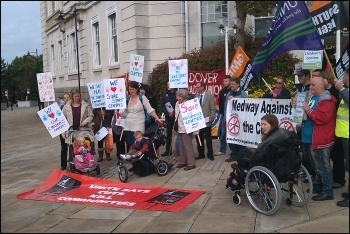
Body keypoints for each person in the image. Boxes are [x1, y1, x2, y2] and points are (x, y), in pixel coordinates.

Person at [302, 76, 337, 201]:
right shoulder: (312, 97)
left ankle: (327, 191)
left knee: (323, 167)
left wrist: (308, 110)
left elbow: (322, 118)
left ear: (321, 86)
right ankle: (319, 185)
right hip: (310, 138)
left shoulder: (327, 100)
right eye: (310, 85)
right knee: (317, 166)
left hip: (322, 139)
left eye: (313, 85)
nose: (310, 87)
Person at [120, 81, 163, 151]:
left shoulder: (142, 98)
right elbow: (126, 113)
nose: (131, 91)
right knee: (130, 145)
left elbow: (150, 110)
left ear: (137, 89)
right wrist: (119, 114)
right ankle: (132, 160)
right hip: (128, 126)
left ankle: (139, 160)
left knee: (138, 144)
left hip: (138, 125)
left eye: (132, 89)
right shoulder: (127, 99)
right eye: (129, 89)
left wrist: (157, 118)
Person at [293, 68, 316, 182]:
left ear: (307, 75)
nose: (299, 77)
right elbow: (297, 105)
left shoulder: (311, 88)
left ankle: (312, 173)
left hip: (308, 122)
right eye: (298, 75)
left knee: (309, 151)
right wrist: (294, 104)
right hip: (300, 122)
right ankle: (306, 170)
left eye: (301, 75)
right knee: (303, 149)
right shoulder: (299, 88)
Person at [61, 89, 94, 161]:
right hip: (71, 130)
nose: (77, 98)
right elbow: (62, 119)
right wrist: (63, 132)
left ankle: (88, 159)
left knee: (86, 144)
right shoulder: (66, 106)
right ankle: (74, 160)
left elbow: (90, 116)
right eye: (75, 96)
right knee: (74, 147)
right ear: (72, 97)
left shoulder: (85, 105)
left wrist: (84, 122)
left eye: (78, 96)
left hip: (83, 130)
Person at [333, 68, 349, 207]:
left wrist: (342, 90)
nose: (343, 77)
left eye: (344, 75)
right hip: (344, 134)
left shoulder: (346, 91)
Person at [225, 77, 248, 162]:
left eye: (233, 84)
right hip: (231, 120)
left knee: (240, 138)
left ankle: (241, 154)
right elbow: (225, 106)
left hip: (240, 120)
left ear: (238, 84)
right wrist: (225, 119)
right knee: (231, 137)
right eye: (231, 84)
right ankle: (233, 154)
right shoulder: (228, 94)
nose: (231, 85)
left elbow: (245, 106)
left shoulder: (243, 94)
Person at [174, 89, 196, 170]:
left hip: (187, 128)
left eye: (179, 96)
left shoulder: (189, 104)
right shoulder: (177, 103)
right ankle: (182, 161)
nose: (177, 98)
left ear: (183, 96)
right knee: (181, 146)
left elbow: (193, 116)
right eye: (177, 96)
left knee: (188, 146)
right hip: (179, 127)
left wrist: (195, 129)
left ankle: (191, 163)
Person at [194, 81, 216, 161]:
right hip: (198, 122)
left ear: (202, 87)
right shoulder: (196, 96)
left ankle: (210, 154)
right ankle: (201, 153)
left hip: (207, 121)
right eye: (196, 87)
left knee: (208, 139)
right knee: (199, 138)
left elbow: (212, 107)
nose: (196, 88)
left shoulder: (209, 96)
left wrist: (212, 117)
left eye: (198, 87)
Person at [215, 75, 231, 156]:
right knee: (222, 132)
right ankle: (222, 149)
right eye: (224, 81)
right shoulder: (222, 92)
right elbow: (220, 102)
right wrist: (222, 112)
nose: (224, 83)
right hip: (223, 115)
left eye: (226, 81)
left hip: (232, 116)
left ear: (230, 81)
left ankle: (233, 150)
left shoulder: (233, 91)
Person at [160, 82, 177, 157]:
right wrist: (167, 113)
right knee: (169, 134)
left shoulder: (177, 93)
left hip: (176, 116)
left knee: (179, 133)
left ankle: (178, 149)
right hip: (168, 117)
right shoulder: (165, 94)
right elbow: (162, 105)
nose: (168, 86)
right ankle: (168, 150)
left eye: (169, 85)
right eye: (167, 85)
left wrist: (174, 112)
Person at [59, 93, 71, 170]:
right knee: (64, 148)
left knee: (72, 147)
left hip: (70, 129)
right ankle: (63, 165)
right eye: (65, 98)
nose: (66, 99)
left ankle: (73, 161)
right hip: (63, 130)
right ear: (63, 99)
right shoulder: (61, 108)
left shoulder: (71, 107)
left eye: (67, 97)